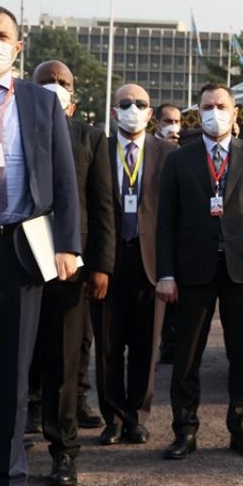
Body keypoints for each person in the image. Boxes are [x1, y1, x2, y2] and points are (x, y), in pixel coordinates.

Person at [0, 4, 80, 486]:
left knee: (12, 376)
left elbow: (64, 179)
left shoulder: (41, 102)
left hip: (18, 251)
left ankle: (9, 483)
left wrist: (68, 244)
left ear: (18, 47)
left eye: (1, 34)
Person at [156, 83, 243, 460]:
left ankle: (241, 429)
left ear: (235, 112)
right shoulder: (179, 160)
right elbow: (165, 223)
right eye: (208, 107)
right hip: (193, 270)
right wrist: (166, 273)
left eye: (222, 106)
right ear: (198, 113)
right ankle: (185, 430)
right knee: (187, 357)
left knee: (242, 356)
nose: (215, 113)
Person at [27, 61, 114, 486]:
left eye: (63, 82)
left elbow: (102, 206)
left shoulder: (91, 138)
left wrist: (101, 265)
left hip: (69, 266)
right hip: (17, 260)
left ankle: (63, 451)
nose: (55, 86)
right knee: (7, 357)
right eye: (47, 80)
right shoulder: (13, 129)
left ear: (73, 99)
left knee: (64, 362)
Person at [95, 84, 175, 448]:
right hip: (108, 261)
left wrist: (171, 268)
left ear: (150, 113)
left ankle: (137, 416)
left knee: (146, 346)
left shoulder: (168, 153)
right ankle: (112, 418)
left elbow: (174, 214)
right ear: (114, 111)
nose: (132, 109)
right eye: (125, 103)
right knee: (109, 346)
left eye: (140, 104)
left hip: (150, 262)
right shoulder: (99, 149)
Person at [153, 103, 181, 365]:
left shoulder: (183, 151)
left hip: (174, 234)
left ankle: (170, 345)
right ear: (157, 124)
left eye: (177, 122)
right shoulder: (151, 149)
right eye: (168, 121)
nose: (173, 127)